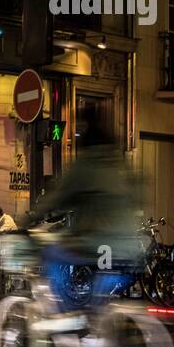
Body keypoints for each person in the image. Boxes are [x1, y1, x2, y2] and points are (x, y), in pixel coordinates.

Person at [25, 107, 141, 330]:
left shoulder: (87, 165)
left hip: (99, 244)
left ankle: (66, 315)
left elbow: (59, 196)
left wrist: (32, 218)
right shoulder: (122, 165)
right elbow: (139, 196)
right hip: (130, 249)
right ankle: (95, 330)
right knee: (99, 296)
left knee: (51, 253)